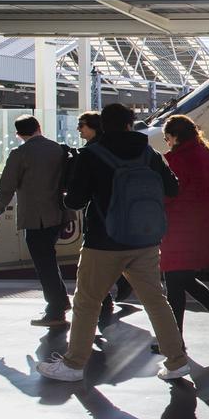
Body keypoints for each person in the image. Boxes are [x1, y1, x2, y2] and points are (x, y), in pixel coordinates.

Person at [34, 103, 191, 382]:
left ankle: (73, 365)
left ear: (103, 126)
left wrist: (68, 192)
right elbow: (173, 188)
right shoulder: (148, 152)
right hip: (144, 241)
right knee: (156, 301)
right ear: (131, 124)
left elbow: (76, 201)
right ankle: (177, 361)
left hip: (104, 242)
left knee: (87, 302)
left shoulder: (91, 155)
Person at [158, 115, 209, 347]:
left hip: (179, 228)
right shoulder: (203, 154)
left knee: (175, 281)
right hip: (196, 227)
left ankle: (175, 339)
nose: (167, 143)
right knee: (181, 279)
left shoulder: (181, 159)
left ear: (176, 137)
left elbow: (171, 193)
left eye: (167, 138)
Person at [0, 115, 69, 327]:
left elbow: (6, 188)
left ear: (18, 134)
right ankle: (60, 302)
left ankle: (55, 311)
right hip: (58, 214)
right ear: (39, 127)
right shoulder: (58, 149)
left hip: (35, 218)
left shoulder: (20, 154)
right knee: (49, 260)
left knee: (44, 264)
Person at [76, 112, 135, 310]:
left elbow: (77, 196)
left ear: (94, 126)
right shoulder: (137, 150)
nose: (79, 129)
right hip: (127, 220)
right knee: (155, 298)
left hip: (101, 219)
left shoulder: (92, 152)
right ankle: (117, 287)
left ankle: (106, 301)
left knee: (88, 287)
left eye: (82, 125)